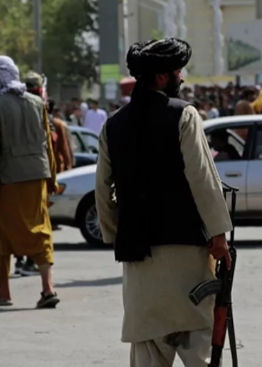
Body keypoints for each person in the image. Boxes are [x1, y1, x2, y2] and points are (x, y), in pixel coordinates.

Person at [95, 38, 233, 367]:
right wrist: (219, 235)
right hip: (186, 251)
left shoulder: (113, 124)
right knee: (196, 343)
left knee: (148, 350)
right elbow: (203, 178)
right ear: (160, 77)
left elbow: (102, 188)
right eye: (177, 71)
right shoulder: (183, 115)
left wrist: (117, 234)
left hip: (139, 258)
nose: (181, 78)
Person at [0, 56, 59, 308]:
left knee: (0, 235)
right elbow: (47, 144)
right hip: (37, 176)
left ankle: (4, 291)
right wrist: (52, 179)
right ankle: (47, 289)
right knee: (40, 230)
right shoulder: (37, 103)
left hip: (7, 180)